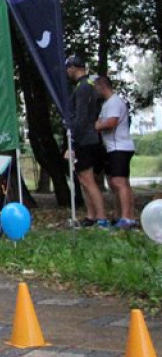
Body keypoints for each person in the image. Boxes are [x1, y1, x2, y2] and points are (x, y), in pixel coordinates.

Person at [65, 55, 109, 228]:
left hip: (85, 139)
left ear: (73, 68)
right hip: (90, 137)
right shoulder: (89, 85)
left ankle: (101, 218)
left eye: (68, 69)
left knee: (87, 180)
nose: (67, 73)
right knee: (84, 180)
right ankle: (91, 216)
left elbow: (81, 117)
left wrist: (73, 142)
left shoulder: (83, 87)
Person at [95, 75, 138, 229]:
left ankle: (127, 218)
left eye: (96, 87)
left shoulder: (114, 102)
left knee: (119, 182)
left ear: (102, 86)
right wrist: (99, 124)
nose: (95, 90)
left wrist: (98, 126)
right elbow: (100, 121)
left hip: (120, 147)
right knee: (116, 183)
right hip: (112, 148)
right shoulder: (107, 104)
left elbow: (110, 123)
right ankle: (123, 215)